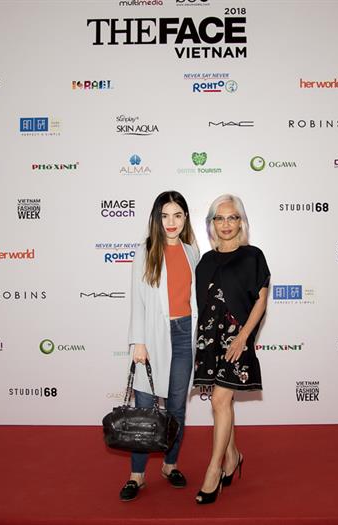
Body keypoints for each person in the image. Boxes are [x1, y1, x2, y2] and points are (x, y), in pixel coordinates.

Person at [120, 191, 199, 502]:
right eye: (165, 216)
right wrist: (138, 342)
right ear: (156, 218)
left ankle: (170, 465)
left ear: (185, 218)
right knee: (144, 408)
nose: (171, 222)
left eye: (177, 215)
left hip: (184, 334)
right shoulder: (146, 251)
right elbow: (137, 302)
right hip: (153, 336)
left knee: (177, 408)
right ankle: (137, 475)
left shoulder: (192, 252)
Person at [192, 194, 270, 504]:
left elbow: (261, 301)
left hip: (237, 339)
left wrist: (243, 338)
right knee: (222, 404)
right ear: (212, 223)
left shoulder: (253, 256)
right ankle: (233, 455)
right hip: (209, 339)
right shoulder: (205, 261)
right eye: (220, 218)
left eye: (232, 217)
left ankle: (214, 470)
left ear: (241, 222)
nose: (226, 224)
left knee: (220, 400)